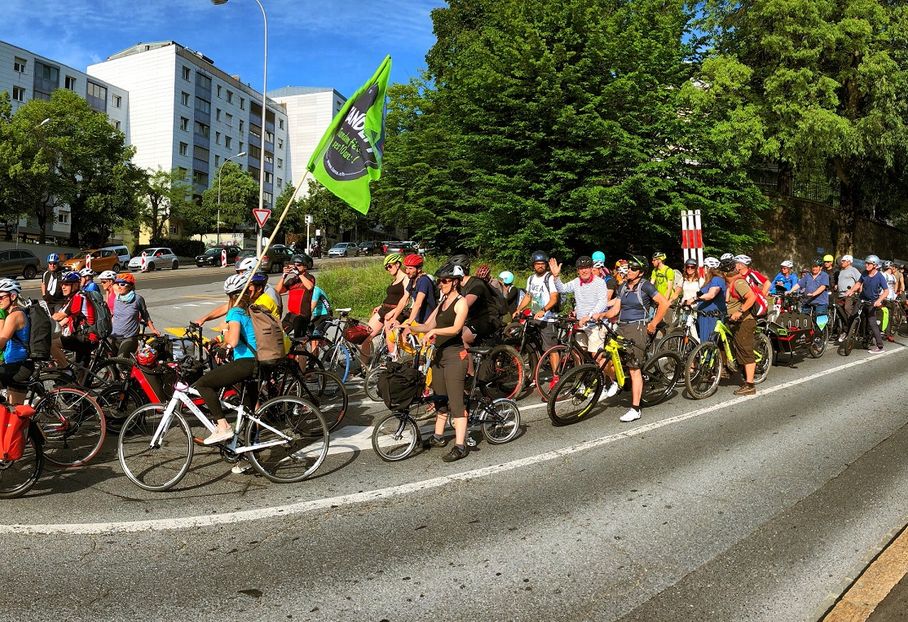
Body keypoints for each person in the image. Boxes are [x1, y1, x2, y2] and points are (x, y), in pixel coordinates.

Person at [403, 264, 470, 463]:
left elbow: (456, 329)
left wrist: (434, 333)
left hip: (455, 356)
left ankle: (460, 445)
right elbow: (428, 325)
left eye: (445, 281)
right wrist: (408, 327)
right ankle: (438, 436)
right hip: (439, 356)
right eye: (440, 281)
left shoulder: (461, 302)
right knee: (439, 397)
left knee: (456, 401)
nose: (441, 284)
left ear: (455, 282)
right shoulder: (442, 302)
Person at [194, 274, 261, 446]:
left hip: (245, 362)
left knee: (203, 384)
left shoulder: (235, 312)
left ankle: (223, 426)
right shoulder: (250, 308)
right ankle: (250, 448)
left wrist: (223, 346)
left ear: (231, 296)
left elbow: (233, 340)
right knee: (249, 410)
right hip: (258, 361)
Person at [601, 255, 669, 422]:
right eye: (628, 268)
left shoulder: (645, 286)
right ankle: (617, 382)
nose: (628, 271)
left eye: (632, 268)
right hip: (622, 326)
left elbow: (664, 303)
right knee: (603, 358)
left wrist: (653, 324)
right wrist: (601, 314)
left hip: (638, 327)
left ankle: (636, 408)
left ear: (640, 272)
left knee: (633, 368)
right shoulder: (623, 286)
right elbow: (616, 309)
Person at [549, 256, 616, 398]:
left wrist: (590, 316)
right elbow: (563, 289)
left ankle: (611, 381)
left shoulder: (599, 283)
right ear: (578, 271)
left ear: (592, 268)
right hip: (580, 325)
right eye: (581, 268)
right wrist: (556, 276)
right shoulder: (576, 282)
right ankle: (586, 382)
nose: (584, 271)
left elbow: (602, 303)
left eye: (586, 268)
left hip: (594, 325)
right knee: (579, 355)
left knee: (597, 357)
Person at [514, 250, 560, 388]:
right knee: (531, 345)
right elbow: (528, 296)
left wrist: (544, 310)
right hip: (534, 317)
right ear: (533, 265)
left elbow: (554, 298)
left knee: (551, 349)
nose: (540, 266)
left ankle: (556, 377)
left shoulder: (550, 278)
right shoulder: (530, 279)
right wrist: (519, 309)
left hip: (548, 319)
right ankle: (533, 374)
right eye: (537, 264)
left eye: (542, 264)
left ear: (546, 265)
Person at [722, 259, 759, 395]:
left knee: (745, 349)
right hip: (735, 321)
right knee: (733, 345)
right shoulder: (732, 284)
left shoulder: (738, 283)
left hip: (745, 321)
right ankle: (732, 369)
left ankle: (750, 385)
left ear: (726, 272)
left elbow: (751, 297)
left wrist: (740, 311)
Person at [364, 253, 408, 360]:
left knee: (391, 343)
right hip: (384, 309)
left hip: (395, 312)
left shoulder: (406, 278)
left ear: (397, 264)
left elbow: (406, 300)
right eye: (386, 267)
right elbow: (391, 297)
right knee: (365, 336)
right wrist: (380, 306)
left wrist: (393, 313)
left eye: (389, 266)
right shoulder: (394, 280)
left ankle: (395, 366)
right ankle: (364, 367)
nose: (388, 269)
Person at [51, 271, 97, 366]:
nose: (63, 287)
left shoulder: (78, 297)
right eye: (62, 284)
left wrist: (43, 322)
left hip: (87, 338)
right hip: (82, 335)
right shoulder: (73, 297)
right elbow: (67, 318)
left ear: (76, 285)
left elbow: (60, 316)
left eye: (66, 284)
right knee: (81, 370)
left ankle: (66, 371)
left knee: (53, 344)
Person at [845, 255, 888, 353]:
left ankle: (880, 347)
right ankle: (849, 334)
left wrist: (879, 300)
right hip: (862, 299)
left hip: (872, 302)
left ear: (875, 265)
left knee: (872, 323)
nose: (866, 265)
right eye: (866, 263)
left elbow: (886, 291)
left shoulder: (880, 276)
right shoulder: (864, 273)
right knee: (852, 316)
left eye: (868, 264)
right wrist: (851, 290)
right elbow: (858, 283)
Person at [110, 273, 160, 357]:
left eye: (122, 284)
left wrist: (153, 329)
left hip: (129, 337)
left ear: (130, 286)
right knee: (109, 361)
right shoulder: (116, 298)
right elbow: (114, 316)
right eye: (117, 284)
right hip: (114, 336)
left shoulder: (137, 299)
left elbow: (145, 315)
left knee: (120, 361)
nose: (119, 287)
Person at [0, 279, 32, 406]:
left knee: (16, 413)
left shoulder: (14, 316)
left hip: (18, 367)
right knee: (16, 412)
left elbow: (1, 341)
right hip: (19, 365)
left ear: (13, 296)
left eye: (1, 297)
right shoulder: (17, 312)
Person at [275, 253, 315, 339]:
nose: (296, 267)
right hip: (291, 315)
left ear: (305, 266)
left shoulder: (309, 277)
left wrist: (299, 274)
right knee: (279, 336)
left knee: (299, 340)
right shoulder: (292, 281)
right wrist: (283, 276)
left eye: (299, 265)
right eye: (294, 265)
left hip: (302, 316)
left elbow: (310, 286)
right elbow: (277, 291)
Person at [696, 257, 726, 340]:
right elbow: (701, 294)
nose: (703, 269)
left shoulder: (717, 279)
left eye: (704, 267)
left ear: (709, 268)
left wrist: (694, 299)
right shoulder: (708, 281)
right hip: (704, 315)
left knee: (709, 341)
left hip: (712, 315)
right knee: (704, 341)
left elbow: (711, 295)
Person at [836, 254, 862, 325]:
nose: (842, 262)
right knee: (839, 311)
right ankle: (844, 328)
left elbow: (860, 281)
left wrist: (860, 291)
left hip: (850, 294)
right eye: (842, 261)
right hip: (840, 295)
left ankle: (852, 327)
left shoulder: (853, 270)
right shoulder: (841, 271)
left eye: (844, 261)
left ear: (849, 262)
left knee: (847, 309)